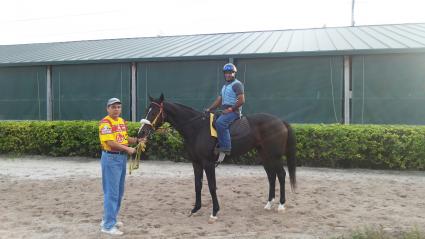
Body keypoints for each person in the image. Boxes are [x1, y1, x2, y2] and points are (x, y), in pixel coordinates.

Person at [98, 97, 140, 236]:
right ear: (107, 108)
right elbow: (110, 142)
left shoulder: (121, 121)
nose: (116, 109)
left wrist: (137, 140)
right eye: (113, 107)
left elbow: (123, 138)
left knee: (118, 192)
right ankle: (108, 226)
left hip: (120, 159)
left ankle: (109, 219)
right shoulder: (105, 123)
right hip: (111, 158)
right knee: (112, 192)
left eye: (118, 107)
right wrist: (128, 149)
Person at [206, 63, 245, 156]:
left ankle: (226, 147)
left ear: (234, 73)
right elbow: (219, 100)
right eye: (226, 73)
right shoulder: (225, 86)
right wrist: (210, 109)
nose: (228, 74)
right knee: (212, 120)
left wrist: (230, 109)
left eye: (230, 73)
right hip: (224, 110)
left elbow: (242, 100)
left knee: (220, 123)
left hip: (234, 112)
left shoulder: (237, 84)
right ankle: (218, 142)